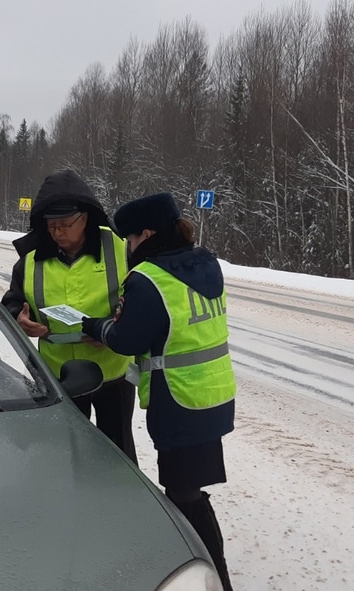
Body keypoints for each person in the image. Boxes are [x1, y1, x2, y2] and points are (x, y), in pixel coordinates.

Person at [78, 192, 237, 590]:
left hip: (179, 400)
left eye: (129, 239)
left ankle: (213, 576)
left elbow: (128, 339)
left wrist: (94, 326)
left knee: (184, 496)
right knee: (190, 489)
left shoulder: (149, 277)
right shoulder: (204, 263)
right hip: (213, 394)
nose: (128, 248)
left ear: (146, 234)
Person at [0, 169, 137, 463]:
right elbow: (12, 301)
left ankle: (121, 505)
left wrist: (121, 325)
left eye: (64, 224)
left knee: (118, 455)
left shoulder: (121, 248)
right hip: (58, 377)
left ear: (85, 218)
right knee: (64, 455)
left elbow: (143, 299)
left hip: (113, 373)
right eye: (50, 225)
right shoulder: (30, 260)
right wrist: (19, 319)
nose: (56, 232)